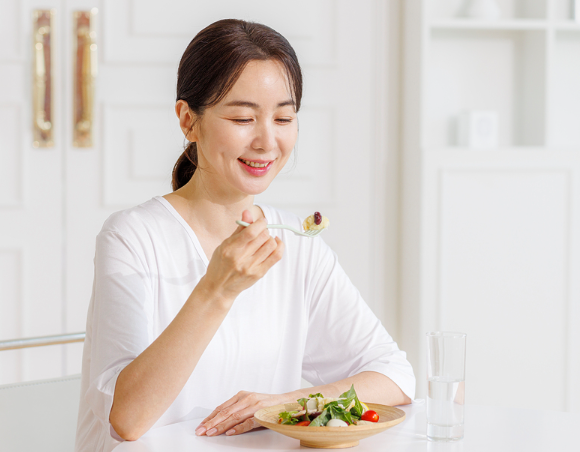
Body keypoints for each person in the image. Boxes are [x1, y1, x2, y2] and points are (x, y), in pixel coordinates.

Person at [74, 19, 415, 452]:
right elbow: (126, 420)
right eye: (242, 117)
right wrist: (216, 289)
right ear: (188, 121)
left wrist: (283, 405)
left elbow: (394, 375)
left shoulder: (296, 243)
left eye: (284, 117)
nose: (267, 141)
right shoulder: (132, 238)